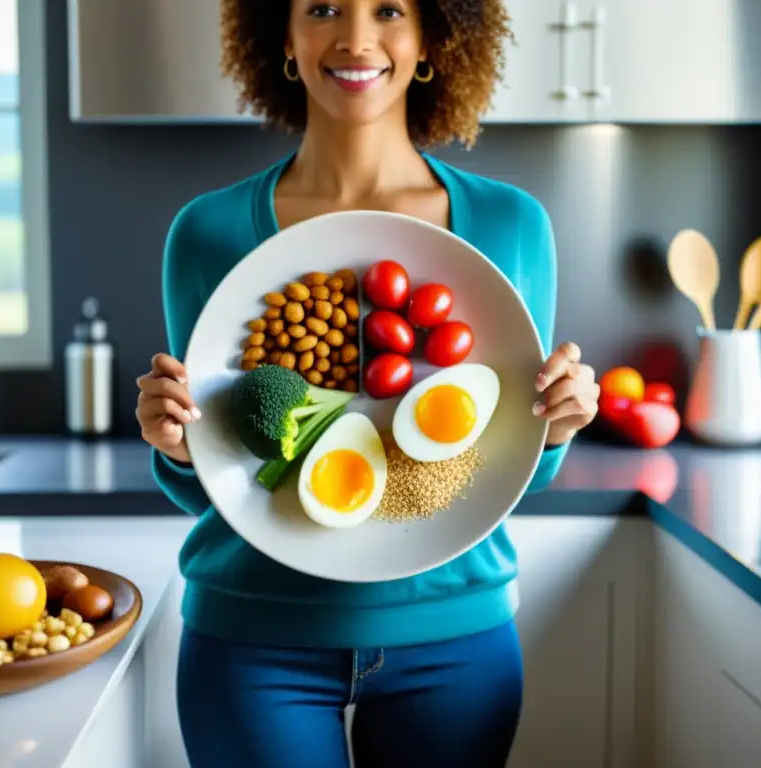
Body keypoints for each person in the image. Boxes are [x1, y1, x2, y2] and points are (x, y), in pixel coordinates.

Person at [135, 1, 600, 765]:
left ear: (431, 39)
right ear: (281, 36)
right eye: (322, 8)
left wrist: (556, 426)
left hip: (454, 637)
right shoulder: (206, 232)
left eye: (389, 8)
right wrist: (175, 446)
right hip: (254, 639)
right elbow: (211, 481)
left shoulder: (512, 224)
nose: (355, 37)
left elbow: (511, 470)